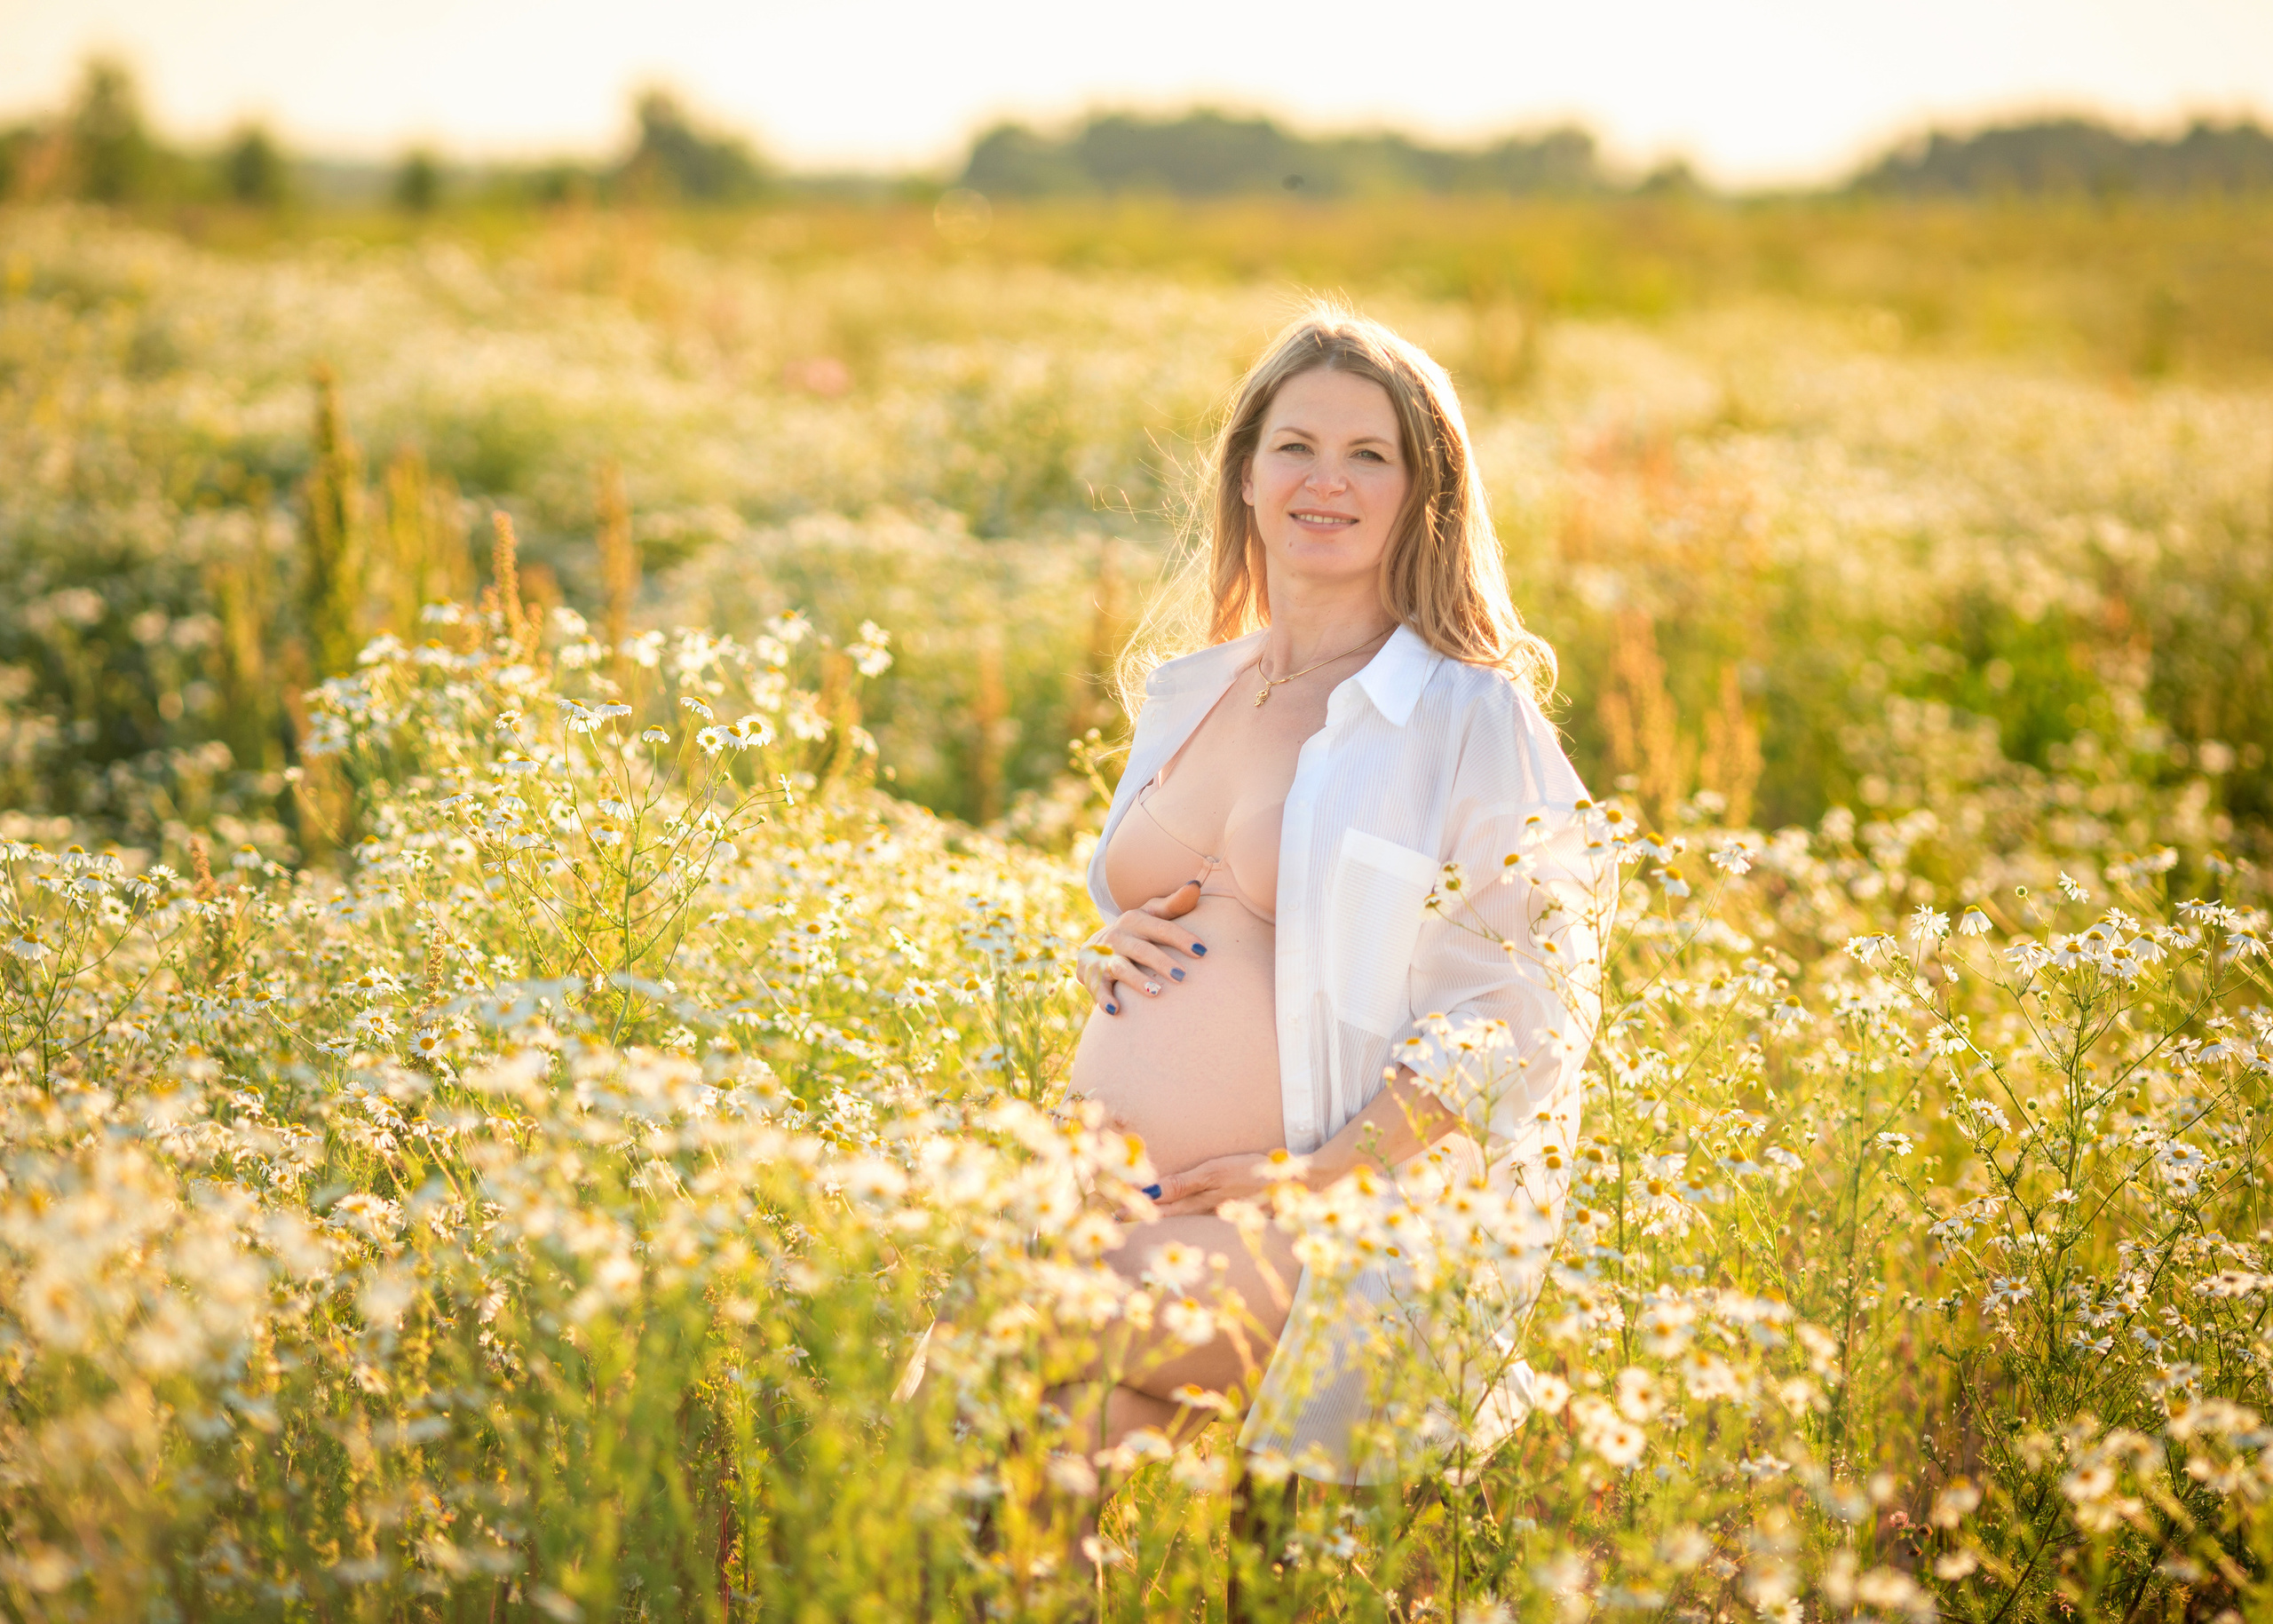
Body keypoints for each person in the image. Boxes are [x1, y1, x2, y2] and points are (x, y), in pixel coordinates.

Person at [1056, 304, 1608, 1497]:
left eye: (1372, 456)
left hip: (1310, 1225)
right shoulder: (1194, 686)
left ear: (1425, 494)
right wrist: (1116, 941)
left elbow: (1518, 1016)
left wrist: (1320, 1180)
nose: (1328, 480)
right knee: (1046, 1461)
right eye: (1297, 445)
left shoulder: (1463, 714)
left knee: (992, 1326)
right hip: (1122, 1201)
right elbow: (1213, 916)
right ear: (1246, 472)